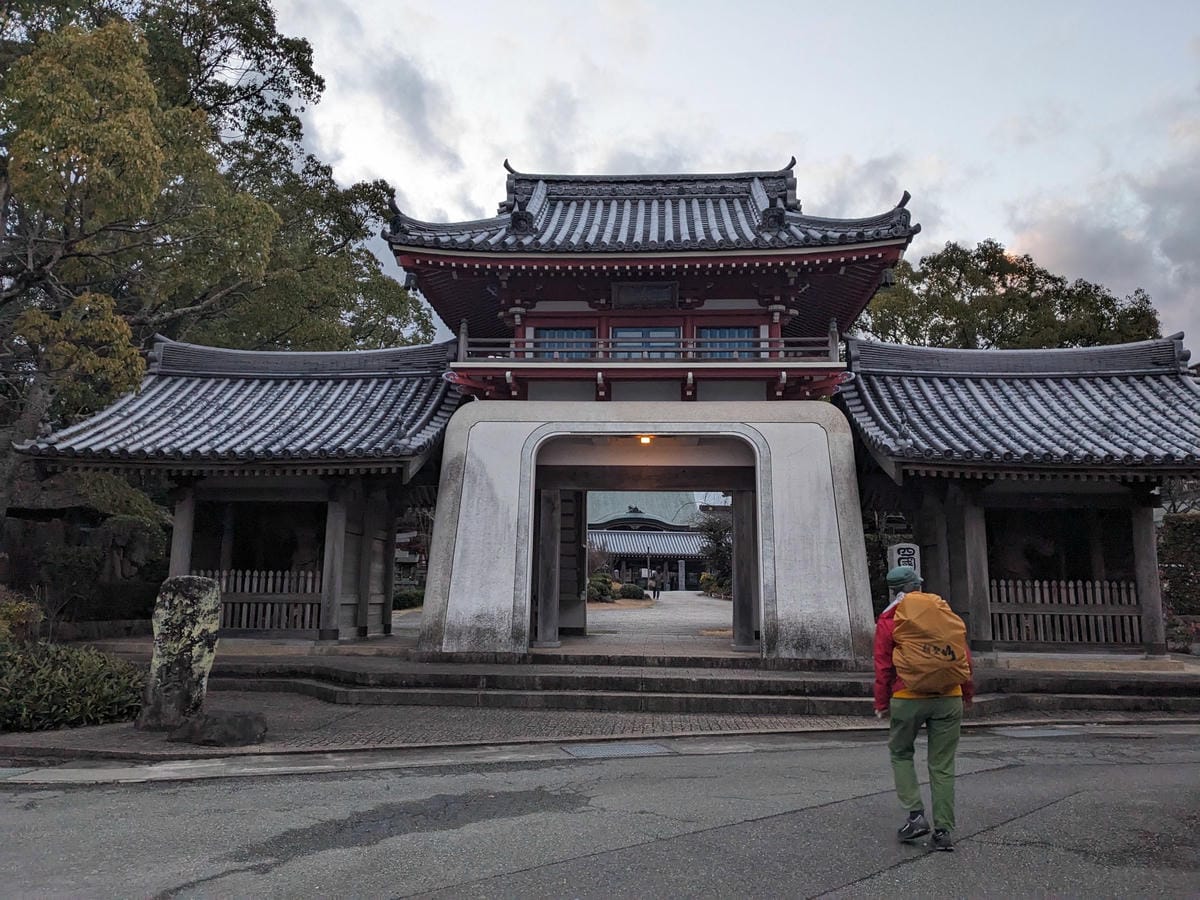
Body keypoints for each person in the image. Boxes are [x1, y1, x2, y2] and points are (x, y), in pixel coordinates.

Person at [874, 565, 974, 852]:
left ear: (894, 590)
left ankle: (916, 815)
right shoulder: (942, 612)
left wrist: (882, 703)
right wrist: (966, 692)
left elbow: (883, 667)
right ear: (918, 585)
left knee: (901, 752)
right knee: (942, 765)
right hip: (949, 696)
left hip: (907, 696)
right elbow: (963, 655)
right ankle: (943, 832)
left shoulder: (889, 619)